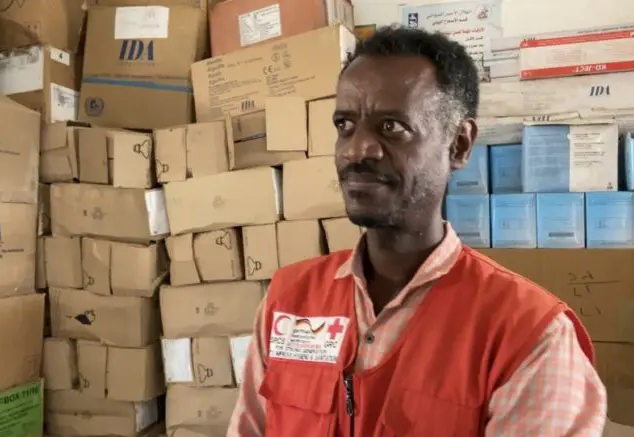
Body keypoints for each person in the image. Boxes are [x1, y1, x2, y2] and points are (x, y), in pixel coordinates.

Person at [227, 26, 607, 437]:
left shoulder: (527, 333)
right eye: (345, 125)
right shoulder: (290, 298)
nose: (357, 150)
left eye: (392, 127)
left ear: (459, 145)